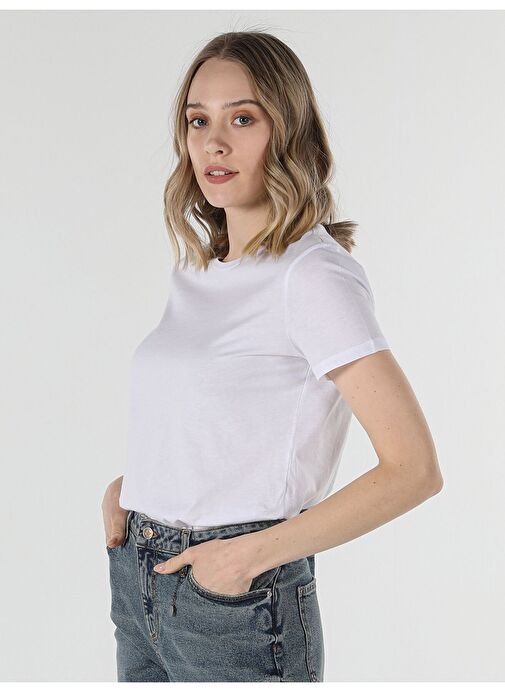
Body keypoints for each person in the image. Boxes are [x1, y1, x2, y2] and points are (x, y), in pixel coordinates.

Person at [101, 30, 443, 683]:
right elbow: (214, 419)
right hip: (137, 580)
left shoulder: (312, 274)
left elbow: (413, 469)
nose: (214, 142)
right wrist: (133, 490)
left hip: (234, 603)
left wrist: (247, 557)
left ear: (287, 131)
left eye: (242, 119)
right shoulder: (200, 269)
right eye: (197, 120)